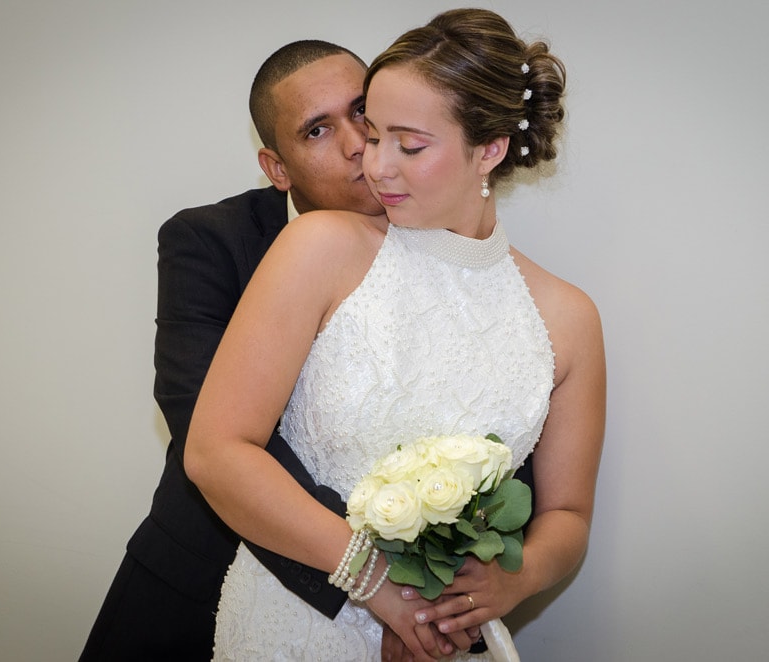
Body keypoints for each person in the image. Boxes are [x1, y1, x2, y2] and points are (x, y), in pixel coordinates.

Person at [186, 7, 606, 662]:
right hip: (295, 624)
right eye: (373, 134)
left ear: (488, 149)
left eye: (408, 145)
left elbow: (568, 517)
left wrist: (498, 585)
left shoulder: (567, 317)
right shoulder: (320, 247)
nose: (375, 164)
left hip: (449, 641)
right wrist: (376, 583)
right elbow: (216, 452)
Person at [79, 40, 442, 660]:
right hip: (203, 579)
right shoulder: (210, 240)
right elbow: (202, 420)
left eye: (362, 112)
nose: (357, 143)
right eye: (319, 130)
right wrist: (379, 569)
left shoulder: (442, 244)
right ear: (277, 168)